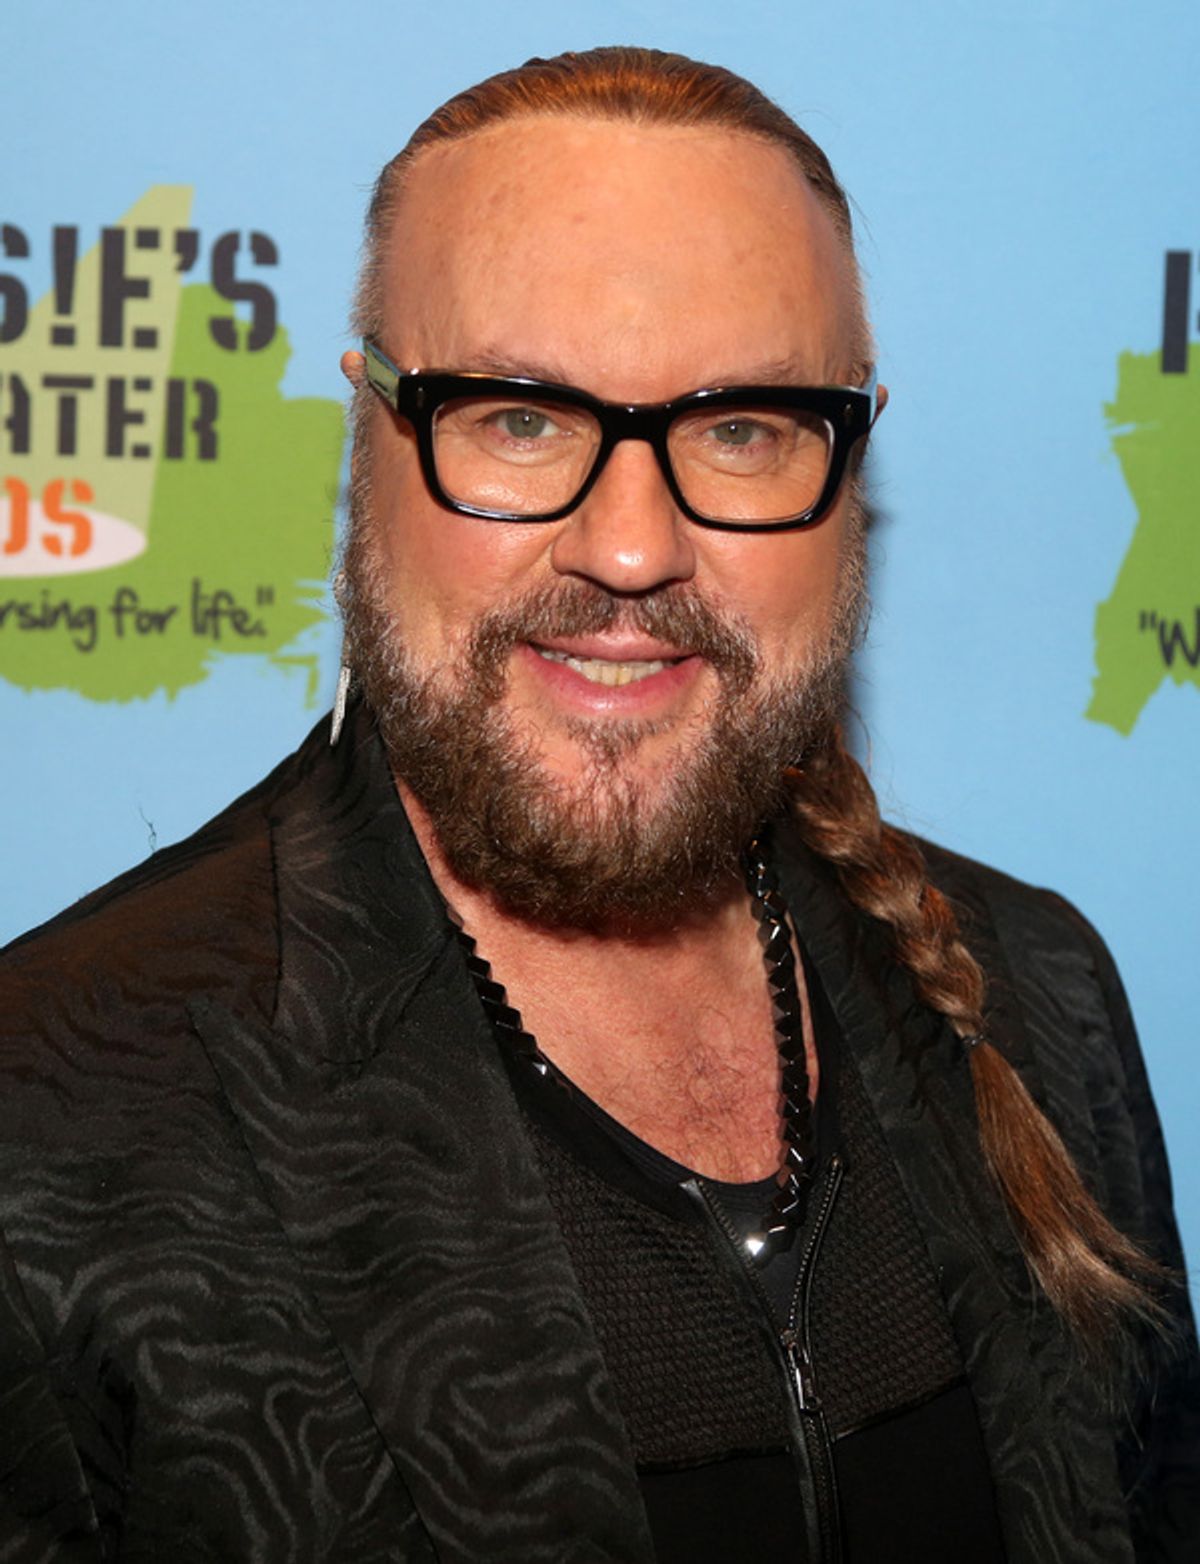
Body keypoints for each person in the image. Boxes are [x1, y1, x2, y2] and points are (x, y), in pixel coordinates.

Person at [1, 45, 1196, 1564]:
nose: (629, 548)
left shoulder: (1045, 999)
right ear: (365, 439)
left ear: (852, 462)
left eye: (743, 427)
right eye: (516, 416)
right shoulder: (48, 1124)